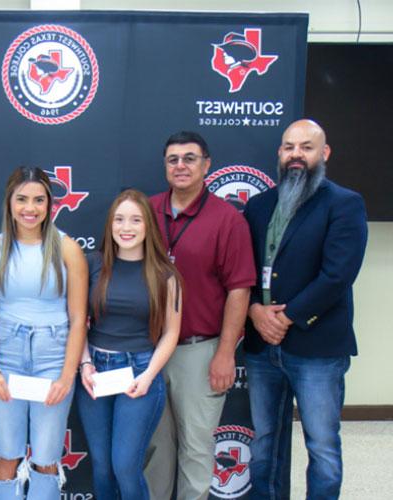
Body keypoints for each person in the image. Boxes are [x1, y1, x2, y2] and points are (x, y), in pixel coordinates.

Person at [243, 119, 368, 499]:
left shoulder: (344, 203)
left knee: (322, 446)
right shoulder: (258, 206)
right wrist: (253, 311)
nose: (296, 154)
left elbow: (338, 275)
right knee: (265, 443)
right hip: (262, 348)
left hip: (317, 349)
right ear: (279, 154)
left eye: (306, 147)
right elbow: (242, 270)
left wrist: (287, 316)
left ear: (324, 153)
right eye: (288, 147)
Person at [144, 131, 255, 500]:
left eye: (190, 158)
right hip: (149, 351)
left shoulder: (227, 220)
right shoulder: (146, 211)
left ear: (206, 165)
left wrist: (225, 353)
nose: (181, 166)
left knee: (195, 448)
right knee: (155, 450)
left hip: (198, 349)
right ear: (165, 166)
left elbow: (239, 290)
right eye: (173, 159)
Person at [0, 166, 88, 499]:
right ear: (9, 202)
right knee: (7, 453)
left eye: (39, 200)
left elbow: (78, 317)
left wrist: (67, 376)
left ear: (49, 204)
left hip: (53, 356)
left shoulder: (68, 249)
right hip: (7, 355)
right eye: (22, 199)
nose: (30, 208)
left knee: (46, 458)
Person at [76, 189, 182, 500]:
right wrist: (84, 363)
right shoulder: (93, 264)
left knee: (125, 466)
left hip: (139, 372)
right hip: (95, 371)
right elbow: (78, 321)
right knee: (102, 467)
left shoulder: (165, 275)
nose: (127, 227)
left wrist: (148, 375)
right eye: (119, 219)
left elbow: (171, 333)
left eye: (135, 220)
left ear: (148, 225)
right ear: (110, 225)